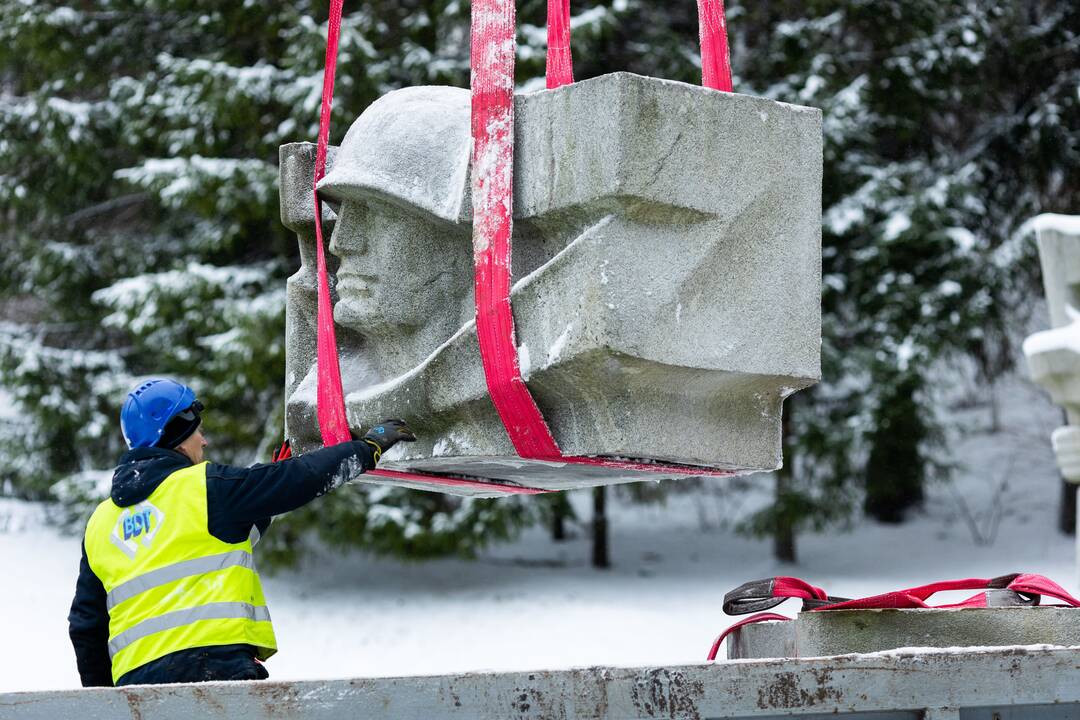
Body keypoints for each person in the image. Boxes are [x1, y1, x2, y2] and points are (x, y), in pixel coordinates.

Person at [67, 377, 415, 687]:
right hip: (215, 673)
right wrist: (366, 449)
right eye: (196, 431)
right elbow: (296, 480)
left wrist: (105, 702)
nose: (203, 441)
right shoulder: (204, 487)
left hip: (136, 691)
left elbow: (86, 627)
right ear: (174, 433)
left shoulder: (101, 523)